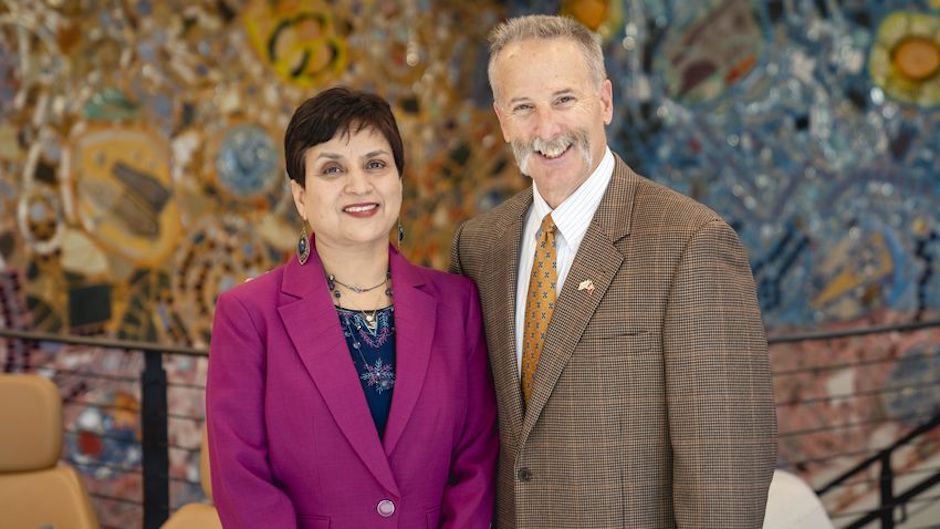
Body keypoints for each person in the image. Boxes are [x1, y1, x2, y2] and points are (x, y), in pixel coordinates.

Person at [450, 15, 777, 528]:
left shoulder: (691, 243)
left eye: (564, 100)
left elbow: (725, 465)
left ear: (604, 100)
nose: (547, 129)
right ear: (501, 119)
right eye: (523, 108)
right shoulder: (479, 247)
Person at [207, 87, 498, 529]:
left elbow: (475, 463)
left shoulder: (458, 306)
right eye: (332, 169)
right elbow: (241, 478)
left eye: (375, 164)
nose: (359, 185)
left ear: (399, 181)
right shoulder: (249, 315)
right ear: (300, 195)